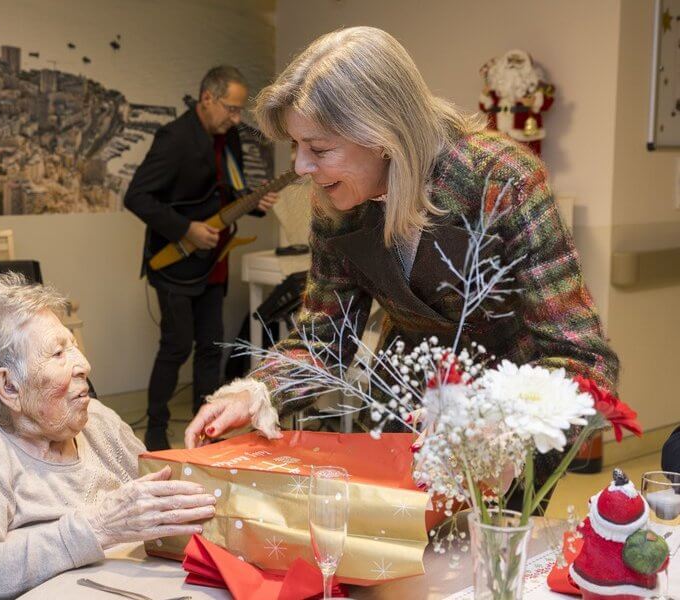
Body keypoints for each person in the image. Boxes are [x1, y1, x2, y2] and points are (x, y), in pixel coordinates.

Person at [184, 27, 619, 468]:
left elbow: (582, 359)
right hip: (402, 414)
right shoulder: (337, 204)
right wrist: (255, 391)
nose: (300, 166)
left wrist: (494, 423)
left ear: (383, 134)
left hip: (508, 433)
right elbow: (325, 340)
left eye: (318, 148)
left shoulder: (501, 181)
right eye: (297, 146)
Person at [0, 274, 216, 599]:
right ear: (9, 387)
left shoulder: (99, 421)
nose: (84, 366)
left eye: (74, 347)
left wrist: (202, 474)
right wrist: (97, 528)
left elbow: (159, 506)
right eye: (58, 354)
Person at [124, 65, 278, 451]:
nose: (237, 118)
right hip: (175, 260)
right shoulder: (174, 139)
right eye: (231, 108)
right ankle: (156, 432)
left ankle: (208, 432)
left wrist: (255, 205)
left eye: (240, 110)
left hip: (214, 260)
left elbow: (230, 193)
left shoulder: (229, 139)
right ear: (207, 98)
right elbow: (137, 197)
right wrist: (185, 229)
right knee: (176, 346)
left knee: (211, 347)